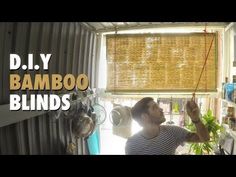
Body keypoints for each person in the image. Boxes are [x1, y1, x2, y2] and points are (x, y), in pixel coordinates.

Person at [125, 97, 210, 155]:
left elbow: (205, 139)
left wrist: (195, 119)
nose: (161, 109)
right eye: (155, 108)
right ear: (145, 117)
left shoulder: (173, 132)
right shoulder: (132, 144)